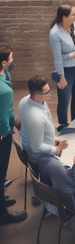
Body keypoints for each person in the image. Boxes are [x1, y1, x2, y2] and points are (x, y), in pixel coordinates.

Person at [38, 153, 75, 242]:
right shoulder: (54, 165)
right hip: (63, 205)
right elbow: (73, 186)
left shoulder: (40, 158)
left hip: (46, 198)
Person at [0, 44, 27, 224]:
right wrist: (8, 131)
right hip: (3, 134)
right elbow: (3, 117)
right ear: (3, 63)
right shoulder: (5, 91)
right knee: (1, 172)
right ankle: (3, 214)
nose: (12, 59)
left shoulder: (5, 74)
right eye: (10, 58)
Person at [18, 75, 68, 171]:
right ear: (37, 95)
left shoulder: (24, 100)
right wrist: (57, 149)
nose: (50, 94)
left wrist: (54, 138)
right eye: (47, 92)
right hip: (43, 159)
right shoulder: (36, 119)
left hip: (39, 140)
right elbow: (36, 147)